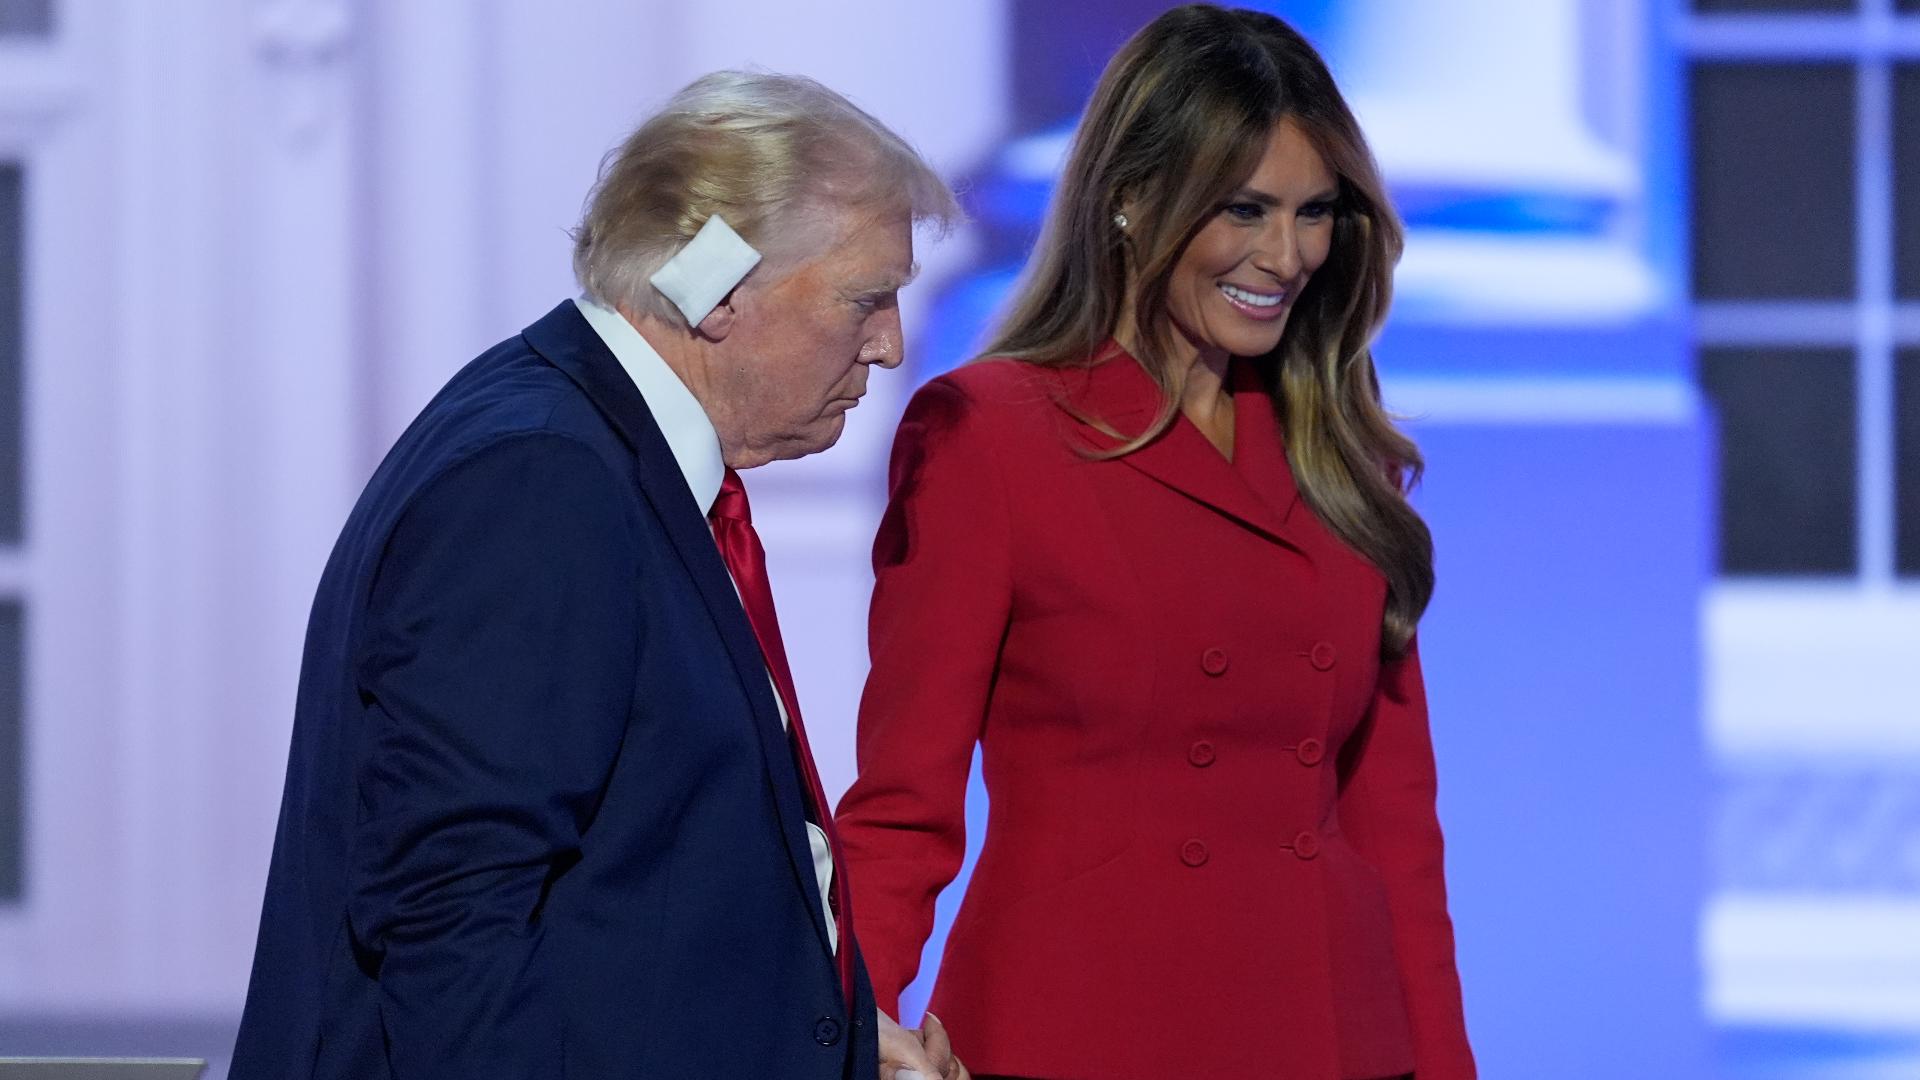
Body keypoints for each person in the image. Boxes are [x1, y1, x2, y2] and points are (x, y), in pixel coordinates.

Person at [230, 71, 967, 1080]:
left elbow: (635, 898)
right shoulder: (541, 480)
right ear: (719, 293)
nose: (888, 346)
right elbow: (454, 919)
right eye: (865, 299)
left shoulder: (595, 453)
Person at [834, 7, 1474, 1080]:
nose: (1287, 256)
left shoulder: (1336, 455)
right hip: (1083, 1032)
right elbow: (905, 805)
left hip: (1333, 1039)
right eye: (1245, 210)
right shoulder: (989, 435)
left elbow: (1398, 836)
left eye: (1315, 213)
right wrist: (838, 1036)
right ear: (1130, 199)